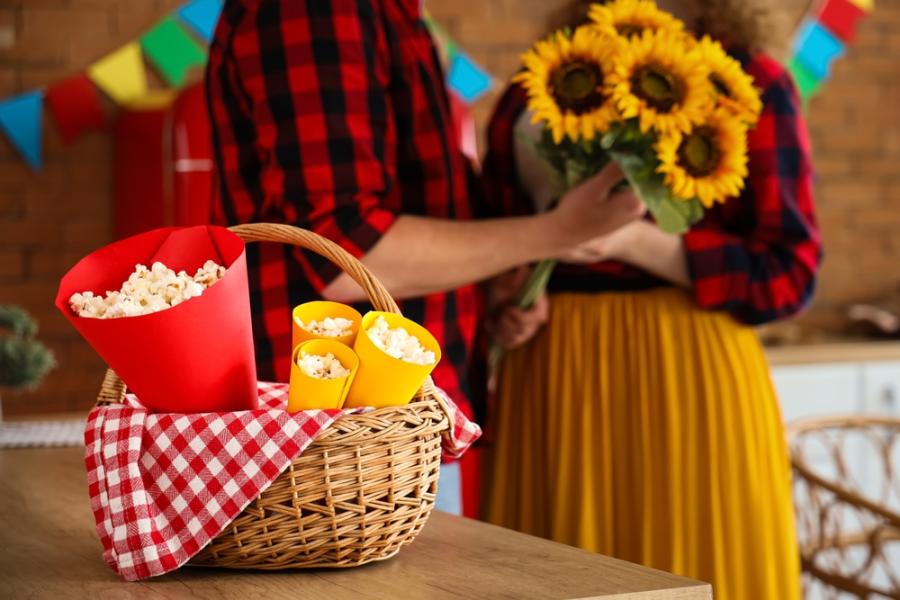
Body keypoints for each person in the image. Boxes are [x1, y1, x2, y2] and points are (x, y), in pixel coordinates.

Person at [205, 0, 643, 515]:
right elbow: (350, 258)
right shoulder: (319, 9)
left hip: (387, 427)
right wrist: (554, 233)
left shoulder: (389, 12)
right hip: (338, 439)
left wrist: (491, 282)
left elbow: (412, 206)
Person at [480, 1, 820, 598]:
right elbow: (494, 244)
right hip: (553, 374)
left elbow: (788, 274)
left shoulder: (750, 83)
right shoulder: (540, 84)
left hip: (692, 379)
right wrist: (508, 300)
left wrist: (633, 238)